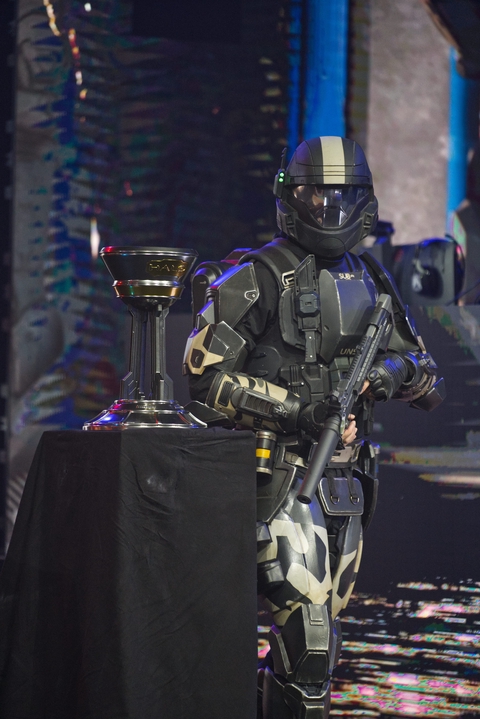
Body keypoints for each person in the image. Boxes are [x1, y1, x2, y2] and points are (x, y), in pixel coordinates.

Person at [183, 136, 445, 719]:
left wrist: (386, 374)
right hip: (280, 477)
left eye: (340, 196)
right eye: (314, 195)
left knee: (316, 653)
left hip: (347, 486)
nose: (328, 209)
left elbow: (427, 377)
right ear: (289, 197)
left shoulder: (371, 278)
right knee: (308, 642)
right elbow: (205, 380)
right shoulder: (256, 275)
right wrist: (298, 408)